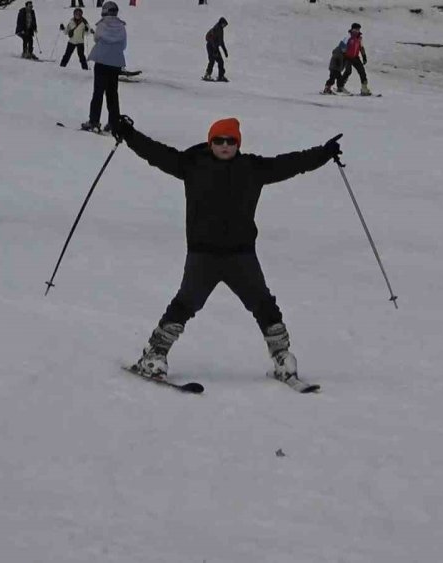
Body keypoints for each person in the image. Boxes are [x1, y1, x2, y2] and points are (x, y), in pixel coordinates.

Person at [108, 115, 343, 387]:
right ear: (210, 142)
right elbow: (156, 153)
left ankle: (282, 358)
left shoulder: (252, 168)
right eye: (218, 140)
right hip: (202, 255)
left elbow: (291, 163)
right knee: (185, 304)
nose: (224, 146)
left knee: (263, 304)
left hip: (241, 255)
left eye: (230, 141)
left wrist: (324, 153)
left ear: (237, 144)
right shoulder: (192, 164)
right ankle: (155, 355)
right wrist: (128, 134)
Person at [81, 1, 127, 133]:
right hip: (115, 63)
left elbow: (96, 38)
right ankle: (114, 123)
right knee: (113, 94)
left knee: (98, 92)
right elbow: (123, 45)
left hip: (101, 61)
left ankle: (94, 121)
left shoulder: (102, 24)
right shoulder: (122, 26)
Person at [338, 23, 371, 95]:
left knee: (362, 71)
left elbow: (361, 48)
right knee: (348, 71)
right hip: (347, 57)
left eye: (358, 29)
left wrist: (364, 56)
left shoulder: (359, 38)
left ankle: (364, 88)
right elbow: (341, 46)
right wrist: (343, 55)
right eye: (355, 29)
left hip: (355, 57)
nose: (357, 31)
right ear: (352, 29)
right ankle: (340, 87)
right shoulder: (348, 36)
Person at [203, 17, 229, 82]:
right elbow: (212, 39)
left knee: (220, 61)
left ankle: (221, 76)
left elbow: (221, 41)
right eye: (224, 24)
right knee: (212, 60)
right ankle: (207, 75)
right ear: (221, 23)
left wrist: (224, 50)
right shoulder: (216, 28)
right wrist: (214, 50)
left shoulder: (220, 29)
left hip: (215, 47)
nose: (225, 26)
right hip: (211, 46)